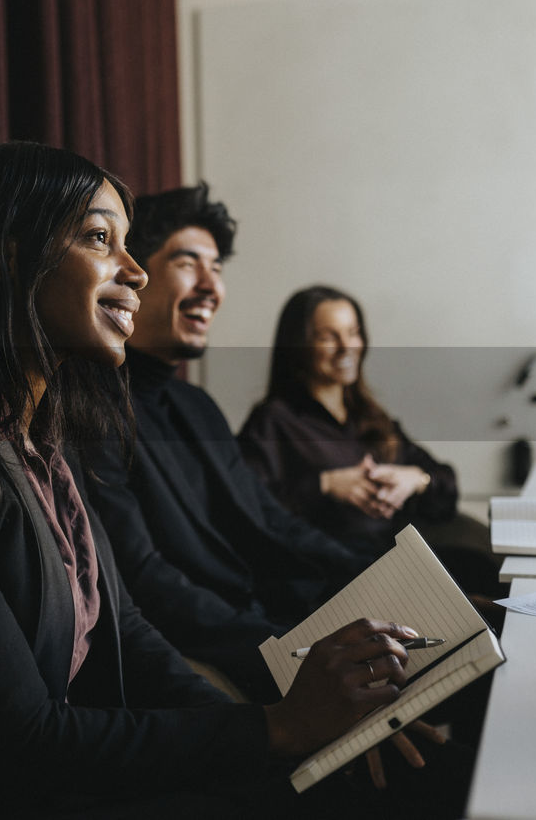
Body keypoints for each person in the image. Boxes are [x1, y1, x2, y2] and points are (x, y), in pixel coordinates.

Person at [0, 143, 453, 818]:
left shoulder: (39, 431)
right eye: (98, 238)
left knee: (374, 779)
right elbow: (22, 739)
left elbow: (130, 631)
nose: (136, 271)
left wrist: (289, 726)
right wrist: (276, 728)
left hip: (65, 771)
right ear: (3, 255)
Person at [81, 183, 366, 702]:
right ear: (133, 273)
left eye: (218, 268)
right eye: (189, 263)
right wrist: (285, 649)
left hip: (278, 617)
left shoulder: (198, 406)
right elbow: (146, 581)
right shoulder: (90, 410)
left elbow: (271, 520)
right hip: (230, 647)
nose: (212, 286)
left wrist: (375, 574)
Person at [237, 286, 495, 590]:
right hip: (334, 577)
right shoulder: (273, 421)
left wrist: (415, 479)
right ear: (300, 346)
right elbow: (247, 512)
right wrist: (326, 485)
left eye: (353, 332)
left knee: (486, 571)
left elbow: (446, 490)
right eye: (328, 336)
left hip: (398, 558)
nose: (347, 347)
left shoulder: (370, 415)